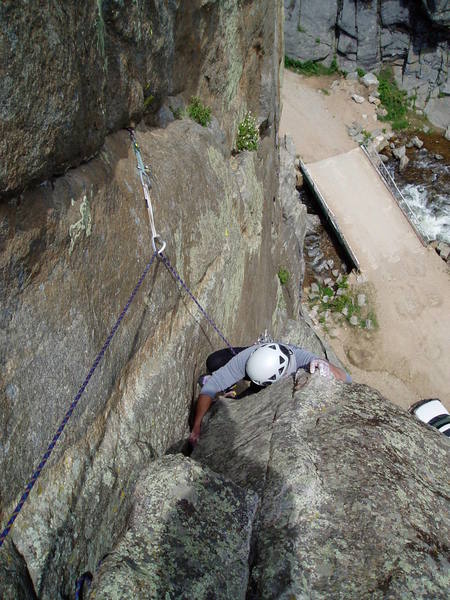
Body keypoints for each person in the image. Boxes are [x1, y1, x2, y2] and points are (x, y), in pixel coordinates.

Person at [189, 342, 351, 445]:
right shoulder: (250, 356)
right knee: (214, 362)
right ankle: (231, 388)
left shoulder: (305, 361)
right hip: (261, 373)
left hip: (269, 384)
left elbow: (346, 378)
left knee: (239, 407)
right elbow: (211, 386)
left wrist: (327, 366)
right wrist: (196, 426)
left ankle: (237, 395)